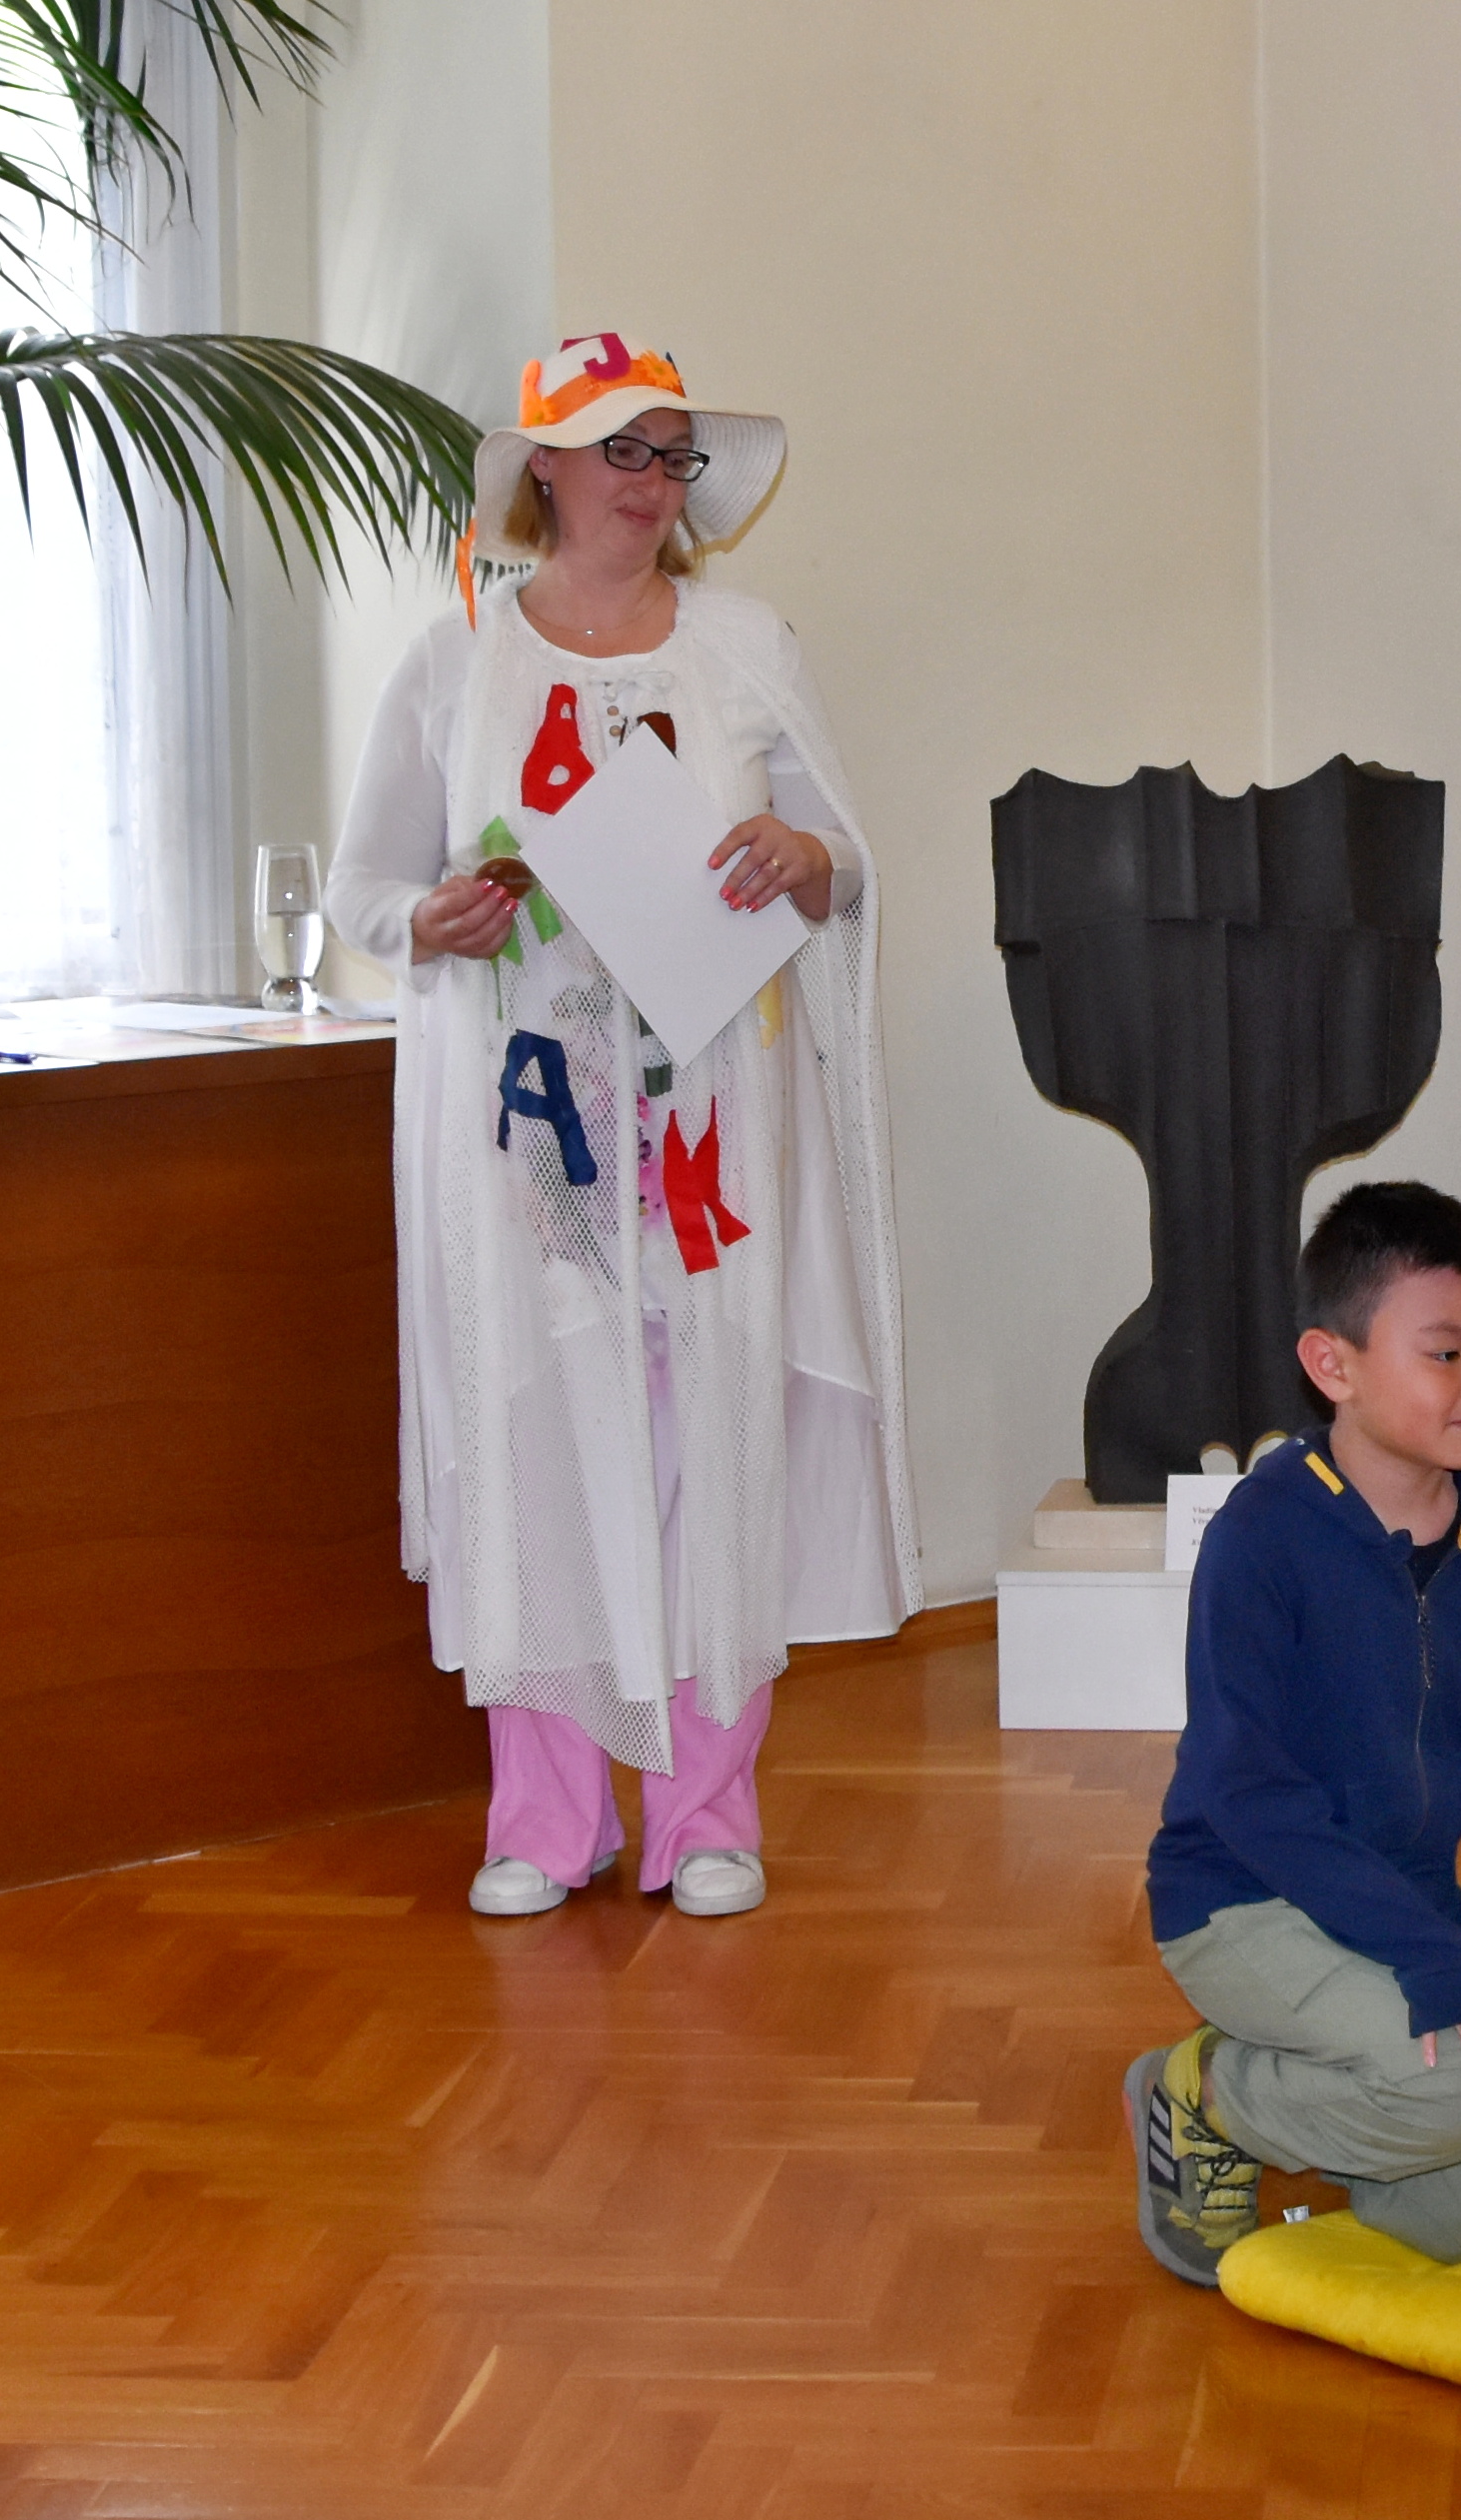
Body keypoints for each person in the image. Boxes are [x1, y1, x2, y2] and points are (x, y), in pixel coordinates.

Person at [329, 333, 915, 1922]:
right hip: (529, 1141)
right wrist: (429, 921)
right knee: (537, 1442)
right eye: (623, 451)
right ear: (548, 469)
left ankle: (707, 1817)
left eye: (672, 455)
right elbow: (364, 886)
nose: (654, 484)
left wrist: (803, 858)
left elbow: (846, 859)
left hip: (710, 1127)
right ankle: (546, 1818)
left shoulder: (745, 644)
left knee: (706, 1444)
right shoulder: (454, 660)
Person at [1130, 1182, 1461, 2286]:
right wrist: (1437, 1965)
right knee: (1451, 2090)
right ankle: (1203, 2095)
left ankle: (1340, 2085)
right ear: (1333, 1366)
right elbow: (1249, 1797)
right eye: (1446, 1353)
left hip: (1401, 1904)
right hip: (1243, 1899)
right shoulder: (1260, 1539)